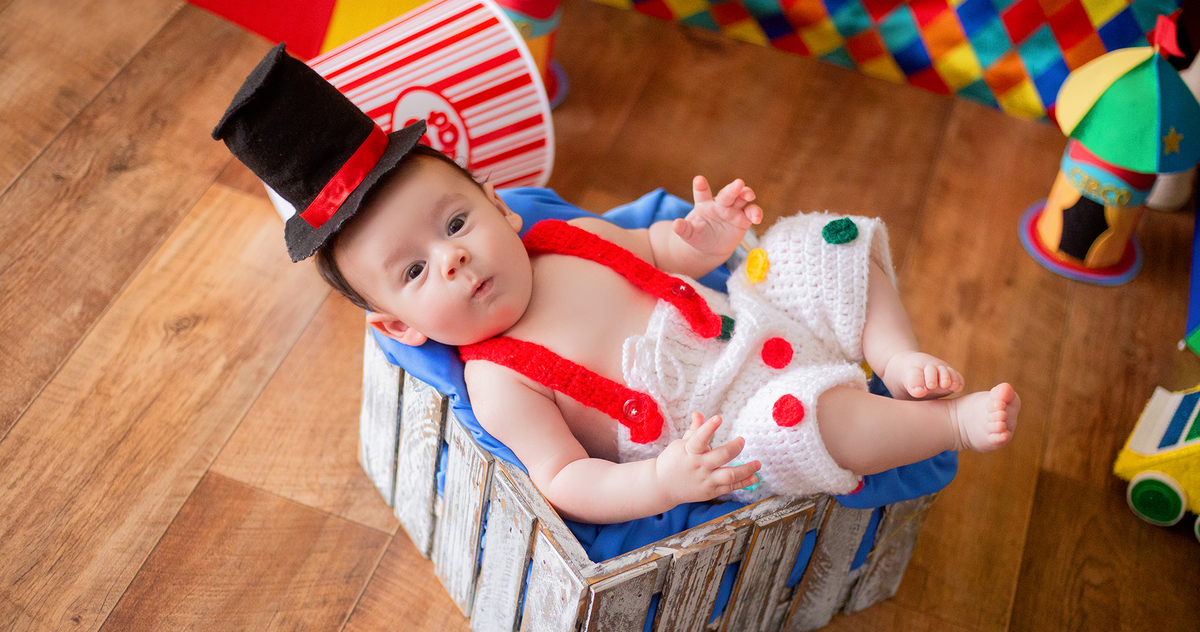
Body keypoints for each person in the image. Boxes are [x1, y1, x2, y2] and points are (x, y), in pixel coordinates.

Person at [215, 45, 1020, 526]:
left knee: (828, 241)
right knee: (813, 420)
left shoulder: (569, 237)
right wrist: (662, 482)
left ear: (497, 202)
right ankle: (948, 421)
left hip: (748, 320)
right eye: (416, 271)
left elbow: (661, 247)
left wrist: (707, 234)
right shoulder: (499, 380)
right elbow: (567, 480)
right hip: (732, 422)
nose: (452, 258)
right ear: (401, 327)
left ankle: (897, 352)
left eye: (455, 224)